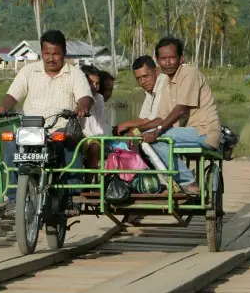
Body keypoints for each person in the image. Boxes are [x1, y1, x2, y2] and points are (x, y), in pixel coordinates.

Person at [0, 29, 93, 203]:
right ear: (41, 52)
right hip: (32, 129)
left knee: (72, 148)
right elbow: (12, 96)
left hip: (61, 128)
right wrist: (4, 107)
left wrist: (82, 107)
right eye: (47, 53)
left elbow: (85, 97)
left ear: (64, 53)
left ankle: (72, 196)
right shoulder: (28, 71)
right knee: (11, 150)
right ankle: (13, 198)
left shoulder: (75, 73)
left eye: (56, 54)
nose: (51, 58)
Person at [132, 38, 221, 195]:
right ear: (158, 61)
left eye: (172, 58)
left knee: (158, 139)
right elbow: (161, 117)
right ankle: (167, 182)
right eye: (163, 59)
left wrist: (157, 132)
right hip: (188, 132)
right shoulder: (166, 82)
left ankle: (187, 182)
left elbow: (180, 110)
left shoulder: (189, 73)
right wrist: (137, 130)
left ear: (181, 58)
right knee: (145, 140)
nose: (168, 62)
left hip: (204, 131)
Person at [115, 56, 167, 136]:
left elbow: (152, 121)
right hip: (157, 130)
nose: (142, 82)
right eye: (138, 78)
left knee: (134, 134)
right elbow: (143, 119)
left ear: (156, 71)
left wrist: (127, 127)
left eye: (145, 76)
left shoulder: (164, 85)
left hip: (173, 132)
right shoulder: (149, 89)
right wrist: (125, 126)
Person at [80, 65, 111, 169]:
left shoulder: (99, 98)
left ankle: (90, 184)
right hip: (78, 135)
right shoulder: (76, 95)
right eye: (90, 83)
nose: (94, 87)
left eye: (97, 83)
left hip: (93, 137)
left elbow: (101, 123)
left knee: (95, 147)